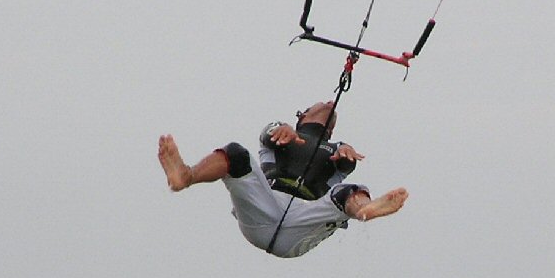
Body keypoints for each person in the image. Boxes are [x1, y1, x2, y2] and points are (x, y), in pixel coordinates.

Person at [158, 100, 408, 258]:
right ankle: (185, 176)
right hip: (263, 205)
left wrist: (347, 153)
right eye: (319, 103)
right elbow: (268, 133)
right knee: (236, 153)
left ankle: (365, 209)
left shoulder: (338, 148)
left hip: (304, 222)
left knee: (347, 190)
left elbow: (347, 163)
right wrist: (283, 130)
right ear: (302, 115)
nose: (329, 102)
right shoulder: (281, 132)